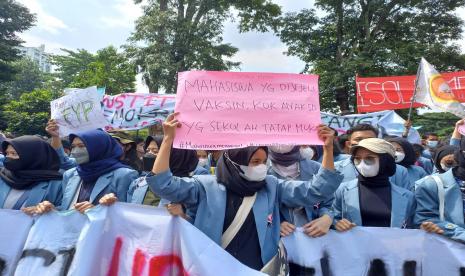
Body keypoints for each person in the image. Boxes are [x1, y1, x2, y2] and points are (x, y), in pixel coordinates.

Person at [145, 113, 343, 271]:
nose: (260, 168)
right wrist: (168, 139)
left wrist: (327, 150)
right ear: (235, 162)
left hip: (258, 268)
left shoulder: (271, 186)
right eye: (254, 162)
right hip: (210, 267)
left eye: (263, 162)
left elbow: (317, 190)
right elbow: (163, 185)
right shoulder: (205, 187)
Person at [33, 129, 139, 214]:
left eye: (81, 146)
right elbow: (66, 208)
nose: (74, 152)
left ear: (98, 148)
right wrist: (51, 209)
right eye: (73, 147)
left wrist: (97, 211)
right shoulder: (70, 174)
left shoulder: (124, 175)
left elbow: (127, 214)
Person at [332, 138, 416, 231]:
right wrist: (336, 223)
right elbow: (330, 216)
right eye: (357, 158)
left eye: (369, 158)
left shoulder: (407, 197)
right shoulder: (341, 190)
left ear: (385, 161)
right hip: (353, 245)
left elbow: (412, 229)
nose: (362, 163)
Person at [415, 137, 465, 243]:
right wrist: (460, 234)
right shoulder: (431, 184)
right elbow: (426, 219)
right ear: (461, 153)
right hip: (449, 251)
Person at [335, 124, 409, 188]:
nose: (364, 143)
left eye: (370, 139)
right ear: (348, 144)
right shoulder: (335, 169)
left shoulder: (400, 171)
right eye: (358, 139)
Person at [1, 136, 62, 209]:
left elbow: (64, 211)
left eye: (14, 154)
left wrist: (51, 209)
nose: (8, 158)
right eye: (7, 153)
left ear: (32, 156)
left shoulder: (55, 184)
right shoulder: (3, 176)